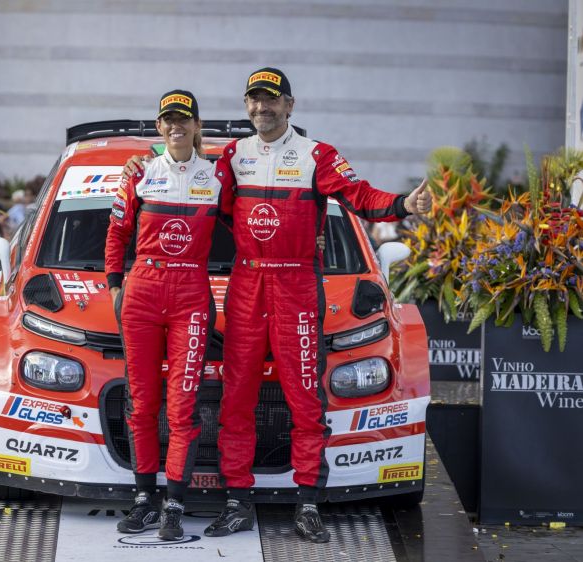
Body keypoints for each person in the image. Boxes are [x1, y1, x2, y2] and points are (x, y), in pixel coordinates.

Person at [124, 68, 431, 544]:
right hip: (247, 283)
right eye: (254, 99)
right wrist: (142, 162)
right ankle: (237, 502)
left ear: (289, 104)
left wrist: (403, 204)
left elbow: (359, 195)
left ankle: (307, 504)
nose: (261, 107)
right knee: (236, 399)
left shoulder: (317, 155)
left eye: (271, 99)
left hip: (297, 286)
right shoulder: (233, 156)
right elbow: (193, 184)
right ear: (247, 105)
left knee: (305, 399)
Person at [105, 90, 229, 541]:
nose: (176, 126)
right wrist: (115, 285)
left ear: (197, 126)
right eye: (168, 120)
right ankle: (143, 499)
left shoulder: (217, 176)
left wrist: (311, 240)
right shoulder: (139, 173)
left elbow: (256, 217)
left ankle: (174, 504)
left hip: (190, 294)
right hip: (142, 290)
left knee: (181, 406)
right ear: (159, 127)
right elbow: (116, 232)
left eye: (184, 119)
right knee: (141, 403)